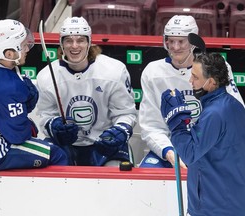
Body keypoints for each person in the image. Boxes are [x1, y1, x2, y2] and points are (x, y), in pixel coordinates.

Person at [0, 19, 68, 172]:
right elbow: (18, 136)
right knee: (56, 153)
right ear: (9, 53)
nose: (28, 48)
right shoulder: (5, 88)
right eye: (23, 45)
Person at [138, 15, 244, 168]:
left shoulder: (215, 67)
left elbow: (234, 112)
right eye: (170, 41)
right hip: (170, 146)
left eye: (181, 41)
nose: (175, 47)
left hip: (208, 147)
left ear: (193, 42)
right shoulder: (152, 72)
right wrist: (169, 153)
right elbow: (151, 126)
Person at [36, 16, 137, 166]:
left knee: (116, 176)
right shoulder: (46, 76)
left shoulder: (114, 71)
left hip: (104, 143)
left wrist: (119, 132)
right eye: (68, 40)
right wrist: (54, 126)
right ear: (61, 44)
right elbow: (45, 115)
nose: (74, 46)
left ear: (89, 42)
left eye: (80, 40)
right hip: (65, 145)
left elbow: (125, 113)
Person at [160, 52, 245, 215]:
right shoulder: (235, 105)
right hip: (234, 201)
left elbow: (190, 154)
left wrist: (176, 123)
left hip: (213, 206)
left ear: (211, 82)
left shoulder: (214, 114)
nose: (190, 81)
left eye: (195, 77)